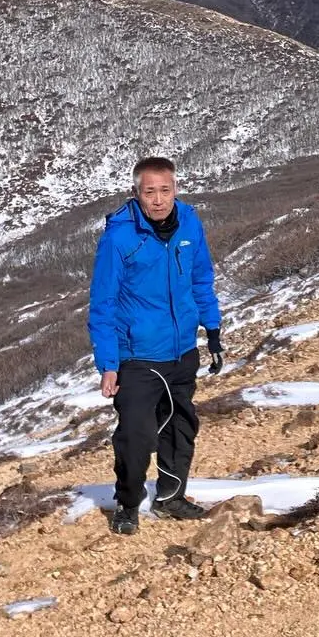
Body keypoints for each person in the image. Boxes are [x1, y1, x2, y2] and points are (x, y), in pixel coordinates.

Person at [87, 155, 224, 536]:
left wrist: (211, 329)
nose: (159, 199)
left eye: (165, 190)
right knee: (135, 434)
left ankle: (171, 496)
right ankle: (128, 503)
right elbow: (103, 304)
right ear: (137, 193)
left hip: (182, 349)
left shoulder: (190, 224)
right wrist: (109, 364)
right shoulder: (119, 237)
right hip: (138, 355)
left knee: (180, 427)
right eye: (150, 192)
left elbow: (201, 279)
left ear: (175, 189)